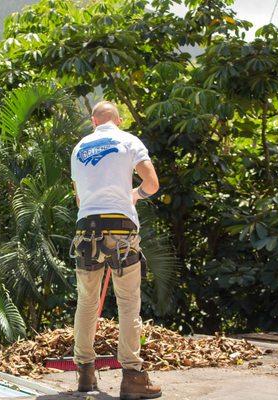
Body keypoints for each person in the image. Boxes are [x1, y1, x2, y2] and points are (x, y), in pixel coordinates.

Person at [69, 101, 162, 399]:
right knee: (127, 302)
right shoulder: (129, 140)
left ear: (93, 121)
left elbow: (80, 199)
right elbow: (152, 183)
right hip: (122, 228)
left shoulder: (80, 148)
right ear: (118, 120)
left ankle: (85, 373)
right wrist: (134, 195)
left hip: (87, 228)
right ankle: (133, 377)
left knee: (87, 302)